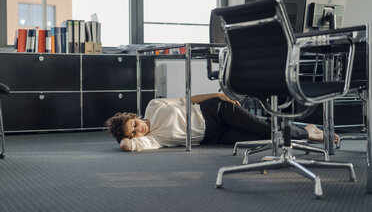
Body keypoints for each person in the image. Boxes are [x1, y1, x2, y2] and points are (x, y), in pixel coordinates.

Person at [104, 93, 338, 152]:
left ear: (134, 117)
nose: (138, 130)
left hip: (215, 112)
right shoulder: (152, 140)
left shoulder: (154, 105)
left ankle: (308, 134)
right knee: (265, 137)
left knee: (264, 126)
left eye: (134, 124)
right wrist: (127, 140)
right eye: (133, 133)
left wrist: (219, 96)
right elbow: (127, 147)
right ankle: (306, 129)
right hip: (213, 137)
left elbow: (188, 99)